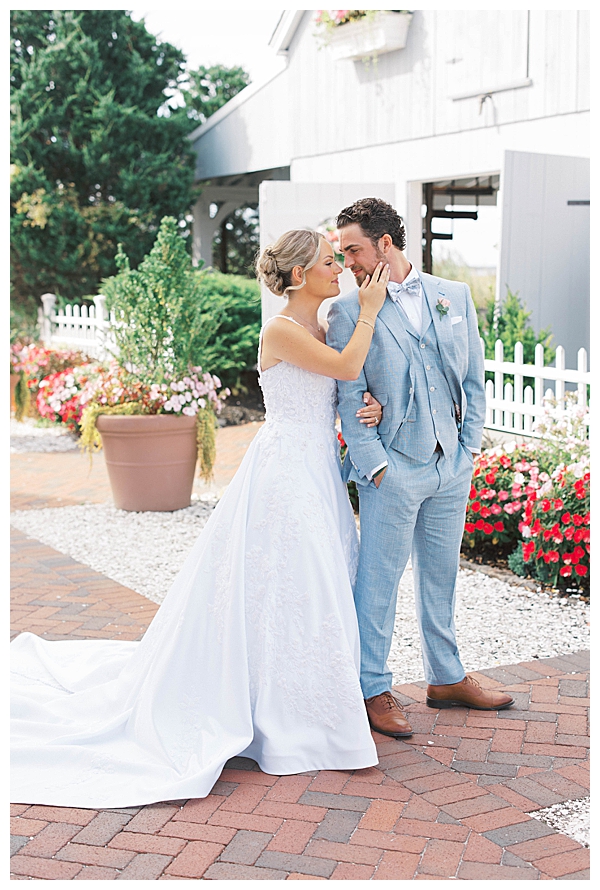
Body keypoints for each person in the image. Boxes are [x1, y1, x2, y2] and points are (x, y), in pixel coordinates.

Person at [10, 229, 391, 809]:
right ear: (296, 276)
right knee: (294, 578)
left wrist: (374, 402)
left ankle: (304, 695)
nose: (338, 269)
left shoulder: (325, 318)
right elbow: (343, 366)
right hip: (287, 472)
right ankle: (285, 715)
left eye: (339, 261)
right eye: (326, 263)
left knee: (314, 582)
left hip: (318, 469)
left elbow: (347, 385)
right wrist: (369, 310)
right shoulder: (282, 330)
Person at [327, 198, 514, 739]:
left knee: (442, 574)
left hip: (450, 464)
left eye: (354, 249)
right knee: (377, 582)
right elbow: (348, 395)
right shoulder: (346, 311)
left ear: (386, 242)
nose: (348, 262)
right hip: (394, 467)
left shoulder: (451, 296)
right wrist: (375, 465)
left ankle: (447, 677)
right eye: (342, 252)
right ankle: (372, 687)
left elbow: (474, 377)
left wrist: (469, 448)